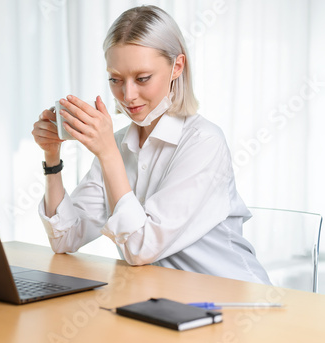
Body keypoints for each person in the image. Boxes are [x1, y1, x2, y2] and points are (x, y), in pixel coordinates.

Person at [31, 5, 271, 284]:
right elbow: (66, 238)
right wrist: (52, 158)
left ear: (176, 67)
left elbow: (140, 247)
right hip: (162, 298)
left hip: (231, 298)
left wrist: (108, 153)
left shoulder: (204, 143)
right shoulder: (118, 143)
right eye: (115, 79)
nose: (128, 95)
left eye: (142, 78)